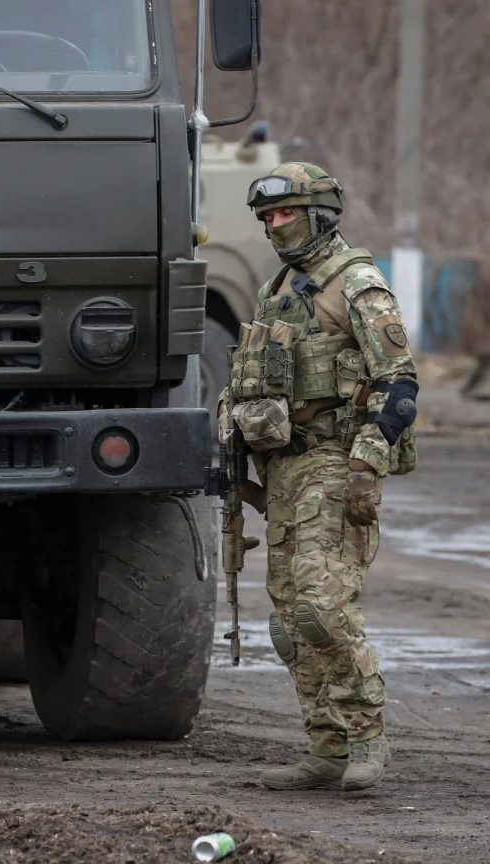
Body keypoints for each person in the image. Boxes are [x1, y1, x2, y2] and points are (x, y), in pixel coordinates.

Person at [218, 162, 418, 791]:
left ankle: (367, 739)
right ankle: (325, 747)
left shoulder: (356, 283)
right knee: (287, 618)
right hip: (282, 468)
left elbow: (399, 384)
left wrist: (365, 466)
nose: (277, 226)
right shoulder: (279, 287)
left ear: (321, 214)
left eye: (287, 214)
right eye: (269, 216)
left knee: (322, 610)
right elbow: (252, 378)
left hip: (335, 461)